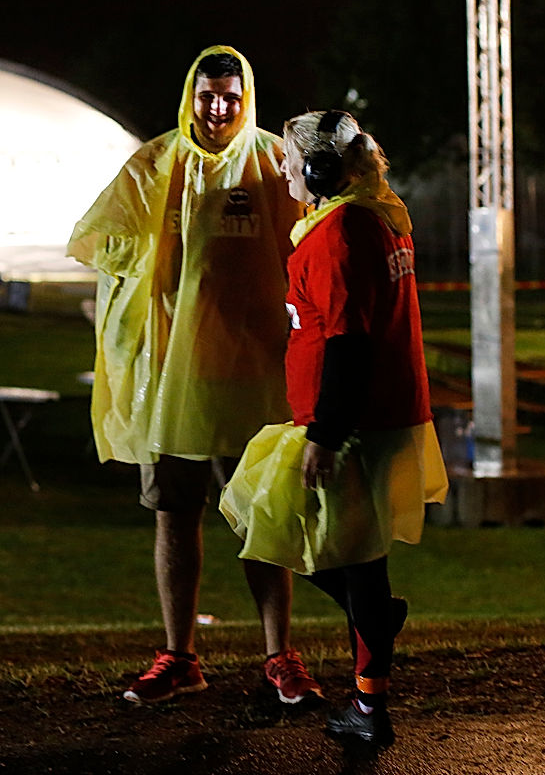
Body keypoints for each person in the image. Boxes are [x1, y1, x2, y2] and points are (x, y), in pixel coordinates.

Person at [67, 46, 319, 705]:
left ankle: (280, 656)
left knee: (261, 516)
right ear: (191, 95)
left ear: (247, 97)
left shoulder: (271, 162)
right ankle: (179, 656)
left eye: (230, 98)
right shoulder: (158, 162)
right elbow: (98, 238)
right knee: (174, 513)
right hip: (176, 378)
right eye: (208, 96)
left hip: (255, 372)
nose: (218, 109)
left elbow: (316, 232)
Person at [218, 110, 449, 745]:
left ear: (320, 170)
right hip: (368, 413)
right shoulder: (372, 215)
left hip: (351, 420)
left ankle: (372, 666)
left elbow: (349, 342)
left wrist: (326, 433)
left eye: (292, 160)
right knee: (352, 559)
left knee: (275, 524)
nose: (283, 169)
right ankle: (371, 673)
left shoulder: (340, 232)